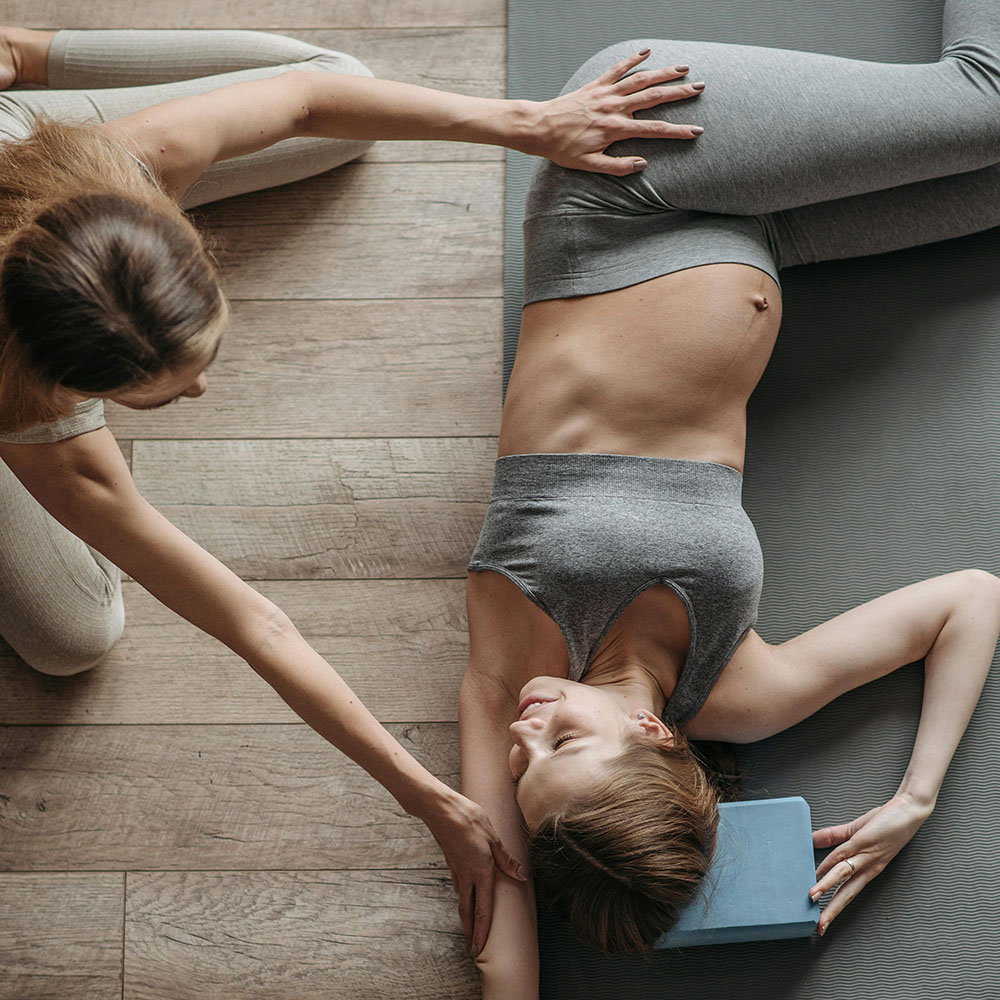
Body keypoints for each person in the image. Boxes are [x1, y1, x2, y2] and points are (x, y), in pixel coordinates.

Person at [0, 25, 703, 958]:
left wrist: (530, 122)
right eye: (164, 395)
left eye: (198, 355)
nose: (201, 391)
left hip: (28, 159)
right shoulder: (38, 429)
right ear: (66, 384)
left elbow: (301, 102)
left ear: (167, 228)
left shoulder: (131, 162)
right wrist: (429, 797)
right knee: (75, 634)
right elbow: (255, 622)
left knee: (338, 86)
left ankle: (21, 50)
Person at [459, 0, 1000, 994]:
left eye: (522, 765)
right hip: (758, 234)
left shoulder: (514, 652)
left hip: (627, 176)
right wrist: (912, 798)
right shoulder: (740, 693)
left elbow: (501, 913)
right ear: (655, 736)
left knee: (988, 105)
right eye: (560, 745)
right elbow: (969, 598)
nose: (521, 736)